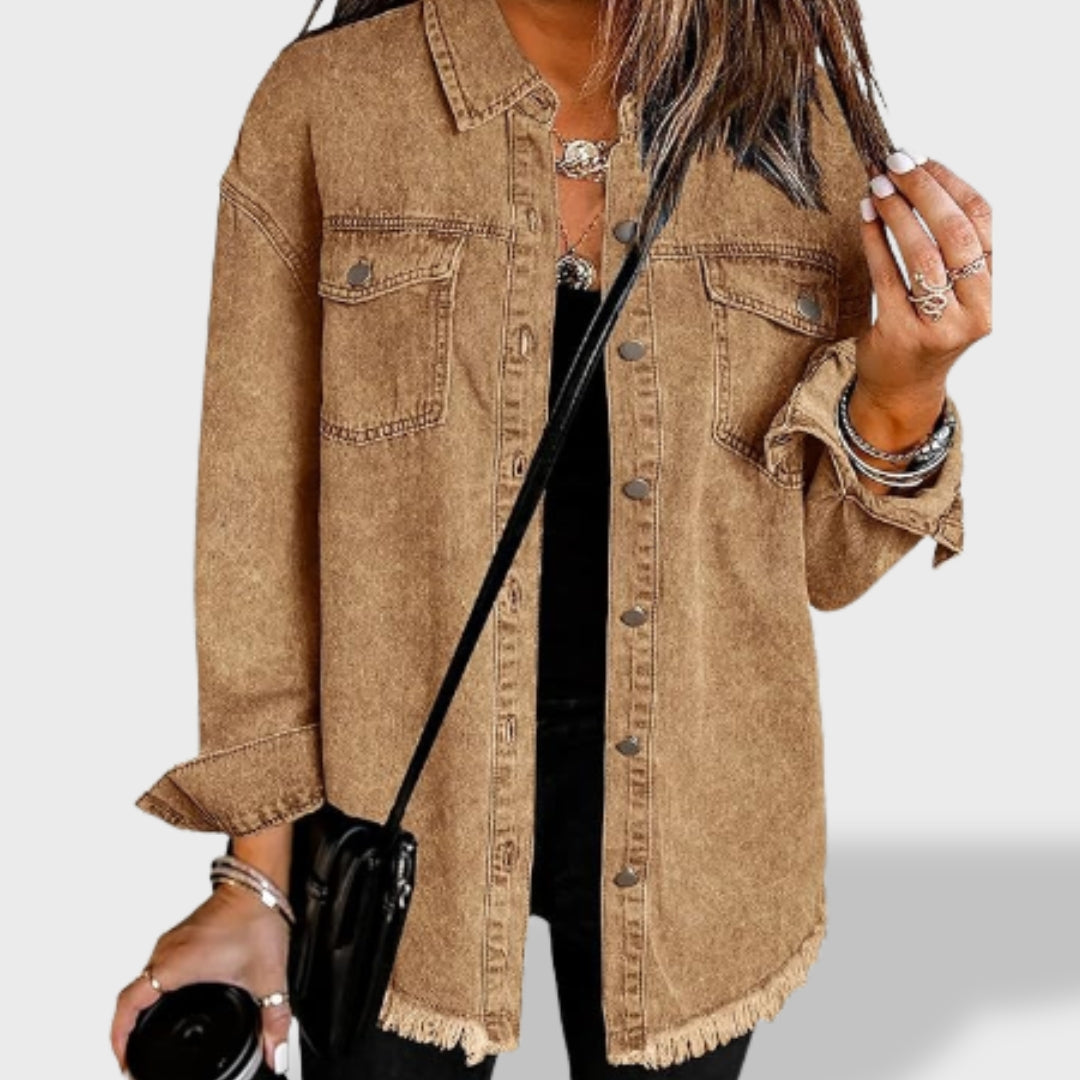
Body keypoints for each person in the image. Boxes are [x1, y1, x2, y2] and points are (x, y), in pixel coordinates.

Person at [111, 0, 992, 1076]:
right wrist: (255, 879)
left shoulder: (793, 127)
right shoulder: (332, 105)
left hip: (702, 825)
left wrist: (905, 392)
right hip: (396, 798)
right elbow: (254, 522)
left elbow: (826, 566)